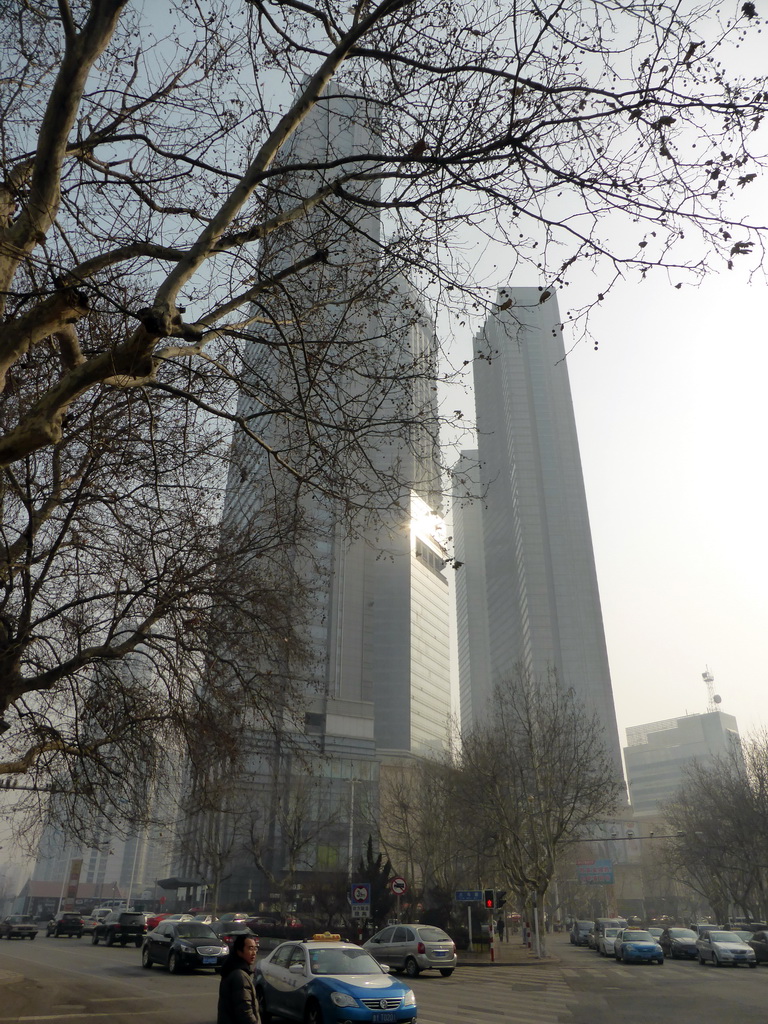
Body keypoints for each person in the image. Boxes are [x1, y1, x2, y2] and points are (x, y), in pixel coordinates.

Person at [217, 933, 261, 1024]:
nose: (254, 953)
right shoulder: (240, 976)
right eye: (250, 948)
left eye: (255, 948)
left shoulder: (232, 969)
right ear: (239, 951)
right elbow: (245, 1011)